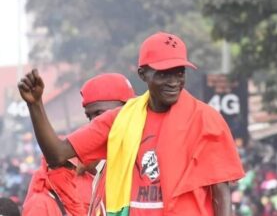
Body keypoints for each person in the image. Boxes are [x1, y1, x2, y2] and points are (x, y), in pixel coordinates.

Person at [18, 31, 244, 216]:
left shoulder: (206, 119)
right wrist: (35, 105)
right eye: (164, 74)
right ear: (143, 74)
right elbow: (57, 154)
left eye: (179, 72)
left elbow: (221, 193)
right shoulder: (120, 120)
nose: (174, 82)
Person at [21, 73, 135, 216]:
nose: (95, 122)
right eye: (89, 116)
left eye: (99, 113)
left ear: (128, 108)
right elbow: (57, 153)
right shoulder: (102, 173)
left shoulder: (148, 144)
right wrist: (35, 104)